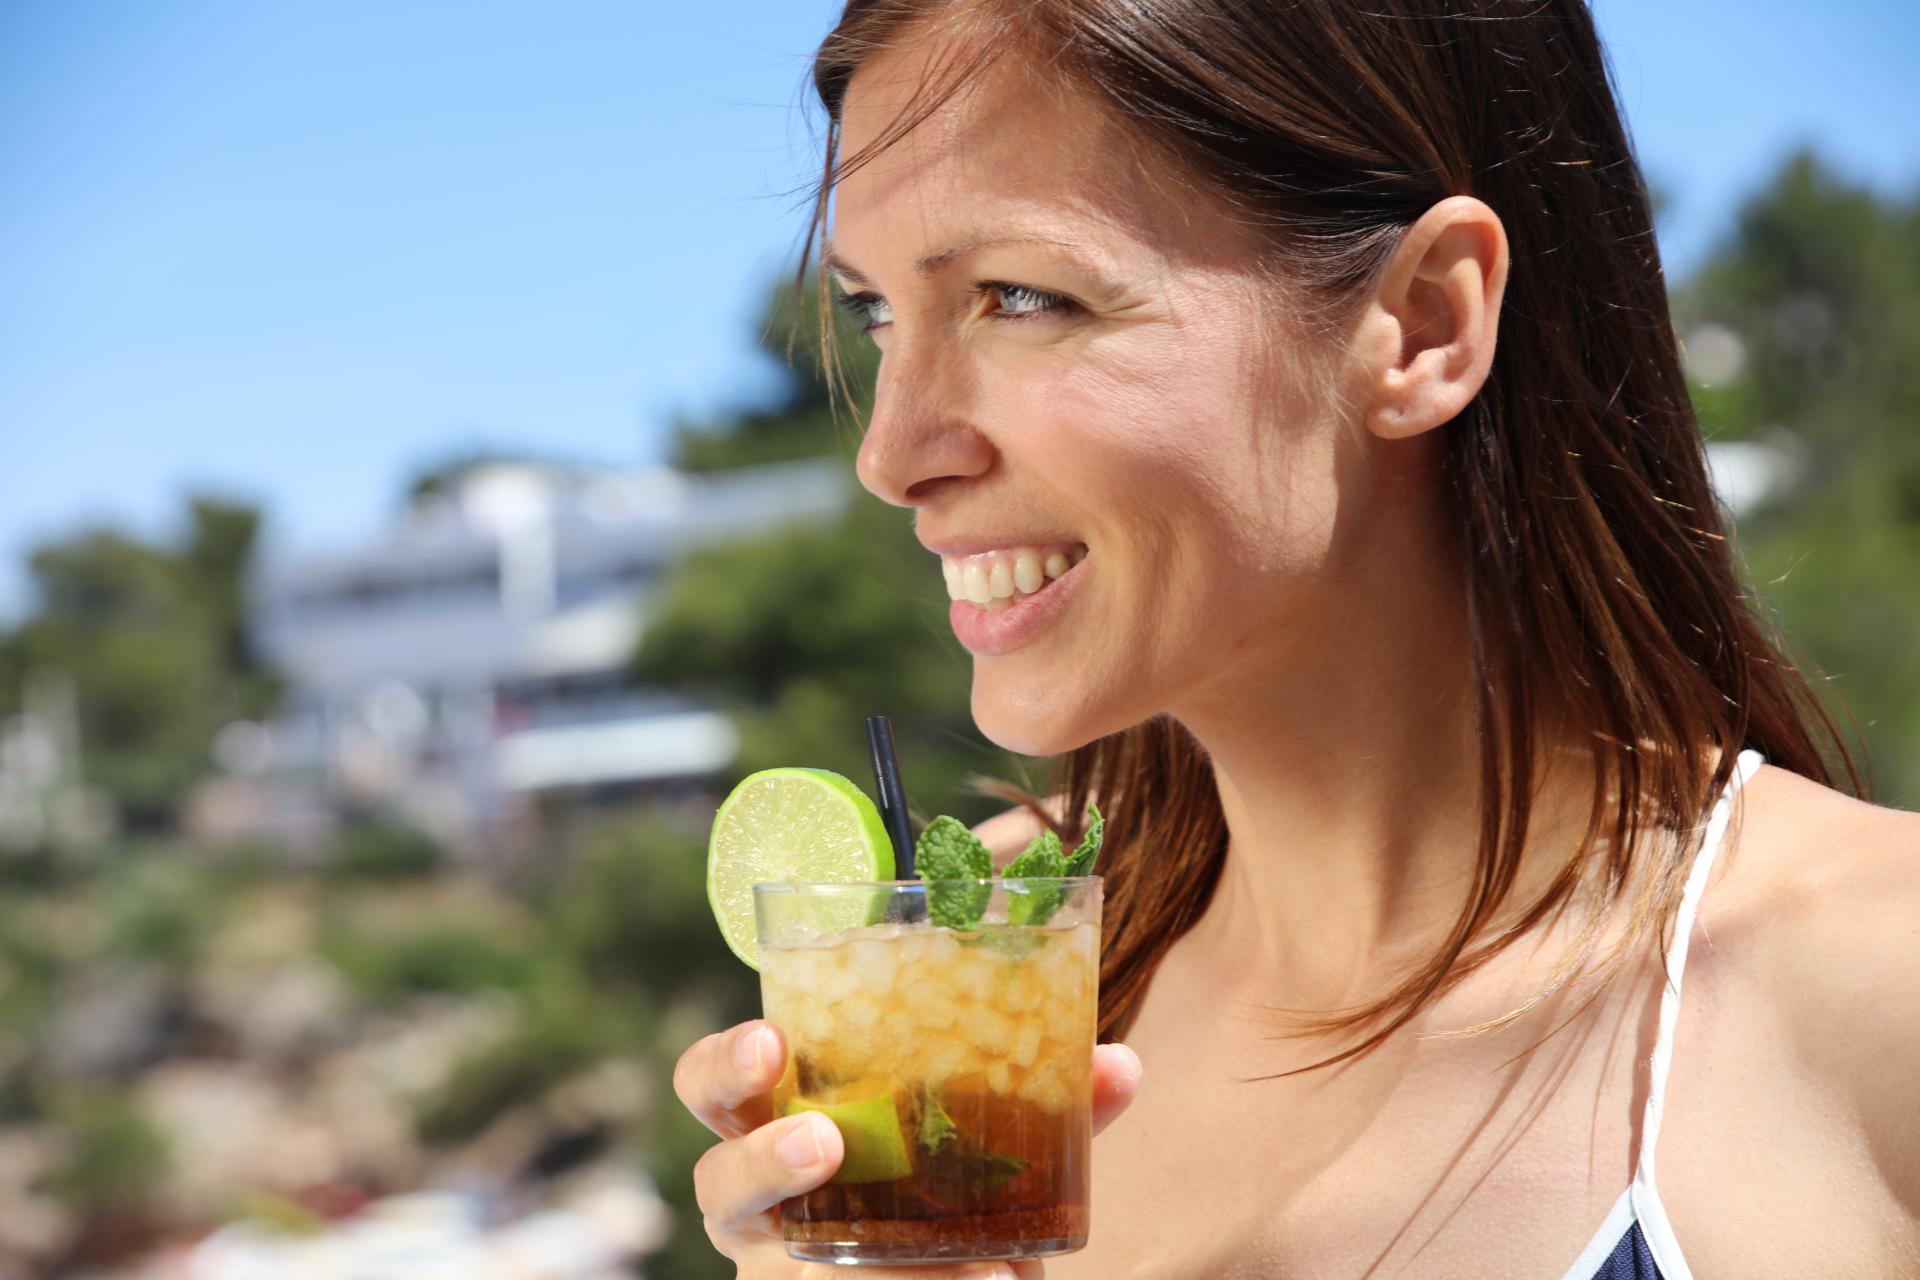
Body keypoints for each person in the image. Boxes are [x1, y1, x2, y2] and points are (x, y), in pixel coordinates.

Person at [674, 1, 1920, 1275]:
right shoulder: (975, 971)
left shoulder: (1881, 989)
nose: (892, 454)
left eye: (1019, 297)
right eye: (877, 313)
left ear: (1425, 322)